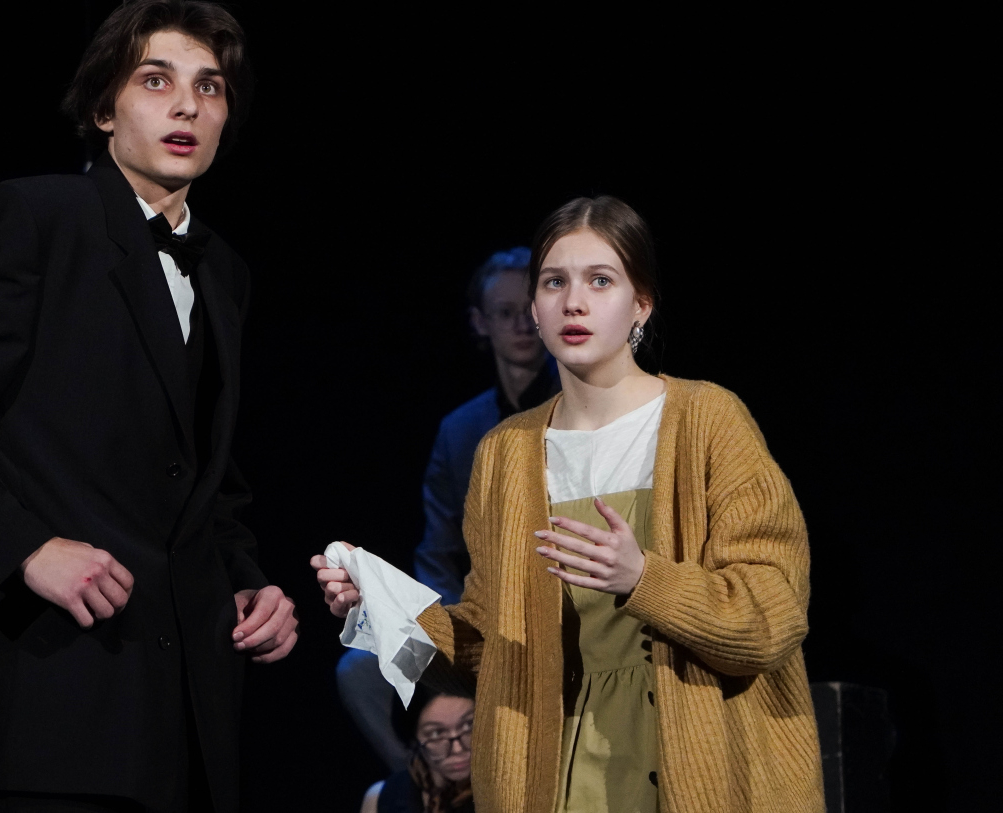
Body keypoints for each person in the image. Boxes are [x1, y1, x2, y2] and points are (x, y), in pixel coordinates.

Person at [0, 0, 296, 813]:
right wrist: (21, 549)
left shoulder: (225, 271)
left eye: (210, 86)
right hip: (62, 707)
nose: (187, 104)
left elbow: (200, 477)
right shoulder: (37, 217)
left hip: (192, 719)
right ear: (102, 110)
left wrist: (247, 582)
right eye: (155, 80)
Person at [314, 196, 824, 812]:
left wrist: (644, 578)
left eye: (600, 281)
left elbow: (772, 617)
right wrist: (385, 609)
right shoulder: (505, 452)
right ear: (534, 308)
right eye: (554, 282)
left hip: (698, 755)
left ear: (641, 304)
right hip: (561, 768)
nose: (573, 302)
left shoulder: (708, 419)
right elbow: (492, 652)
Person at [337, 248, 559, 772]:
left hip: (557, 612)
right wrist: (448, 625)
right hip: (477, 620)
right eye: (504, 312)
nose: (521, 325)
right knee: (360, 671)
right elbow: (437, 551)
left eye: (529, 310)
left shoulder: (580, 406)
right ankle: (422, 787)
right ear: (481, 323)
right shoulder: (461, 430)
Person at [360, 687, 476, 813]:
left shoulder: (493, 795)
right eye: (436, 734)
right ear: (413, 739)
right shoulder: (384, 798)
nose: (457, 749)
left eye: (468, 725)